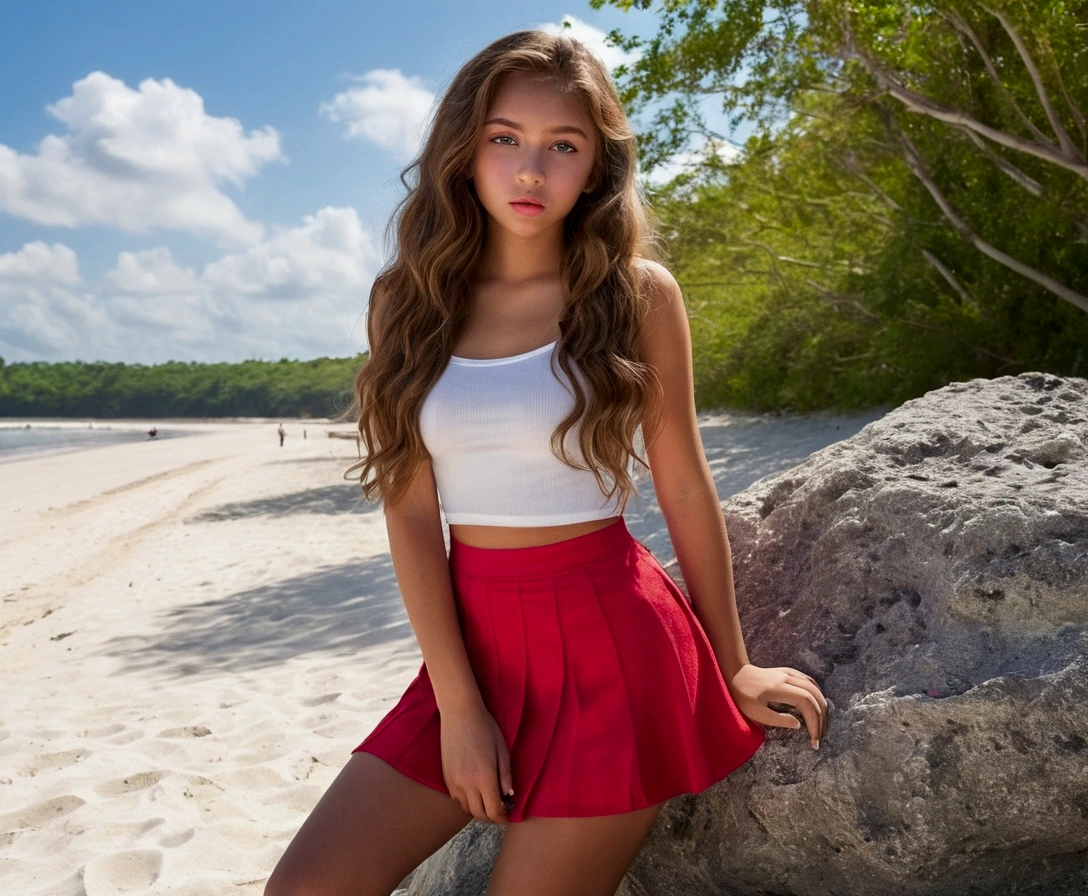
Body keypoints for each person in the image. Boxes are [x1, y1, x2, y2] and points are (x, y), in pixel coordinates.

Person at [266, 30, 828, 896]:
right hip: (476, 641)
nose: (532, 171)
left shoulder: (636, 294)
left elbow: (682, 480)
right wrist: (459, 706)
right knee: (305, 887)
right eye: (506, 139)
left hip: (611, 645)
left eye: (563, 146)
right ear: (465, 148)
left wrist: (734, 660)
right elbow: (410, 511)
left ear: (597, 165)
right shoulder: (406, 301)